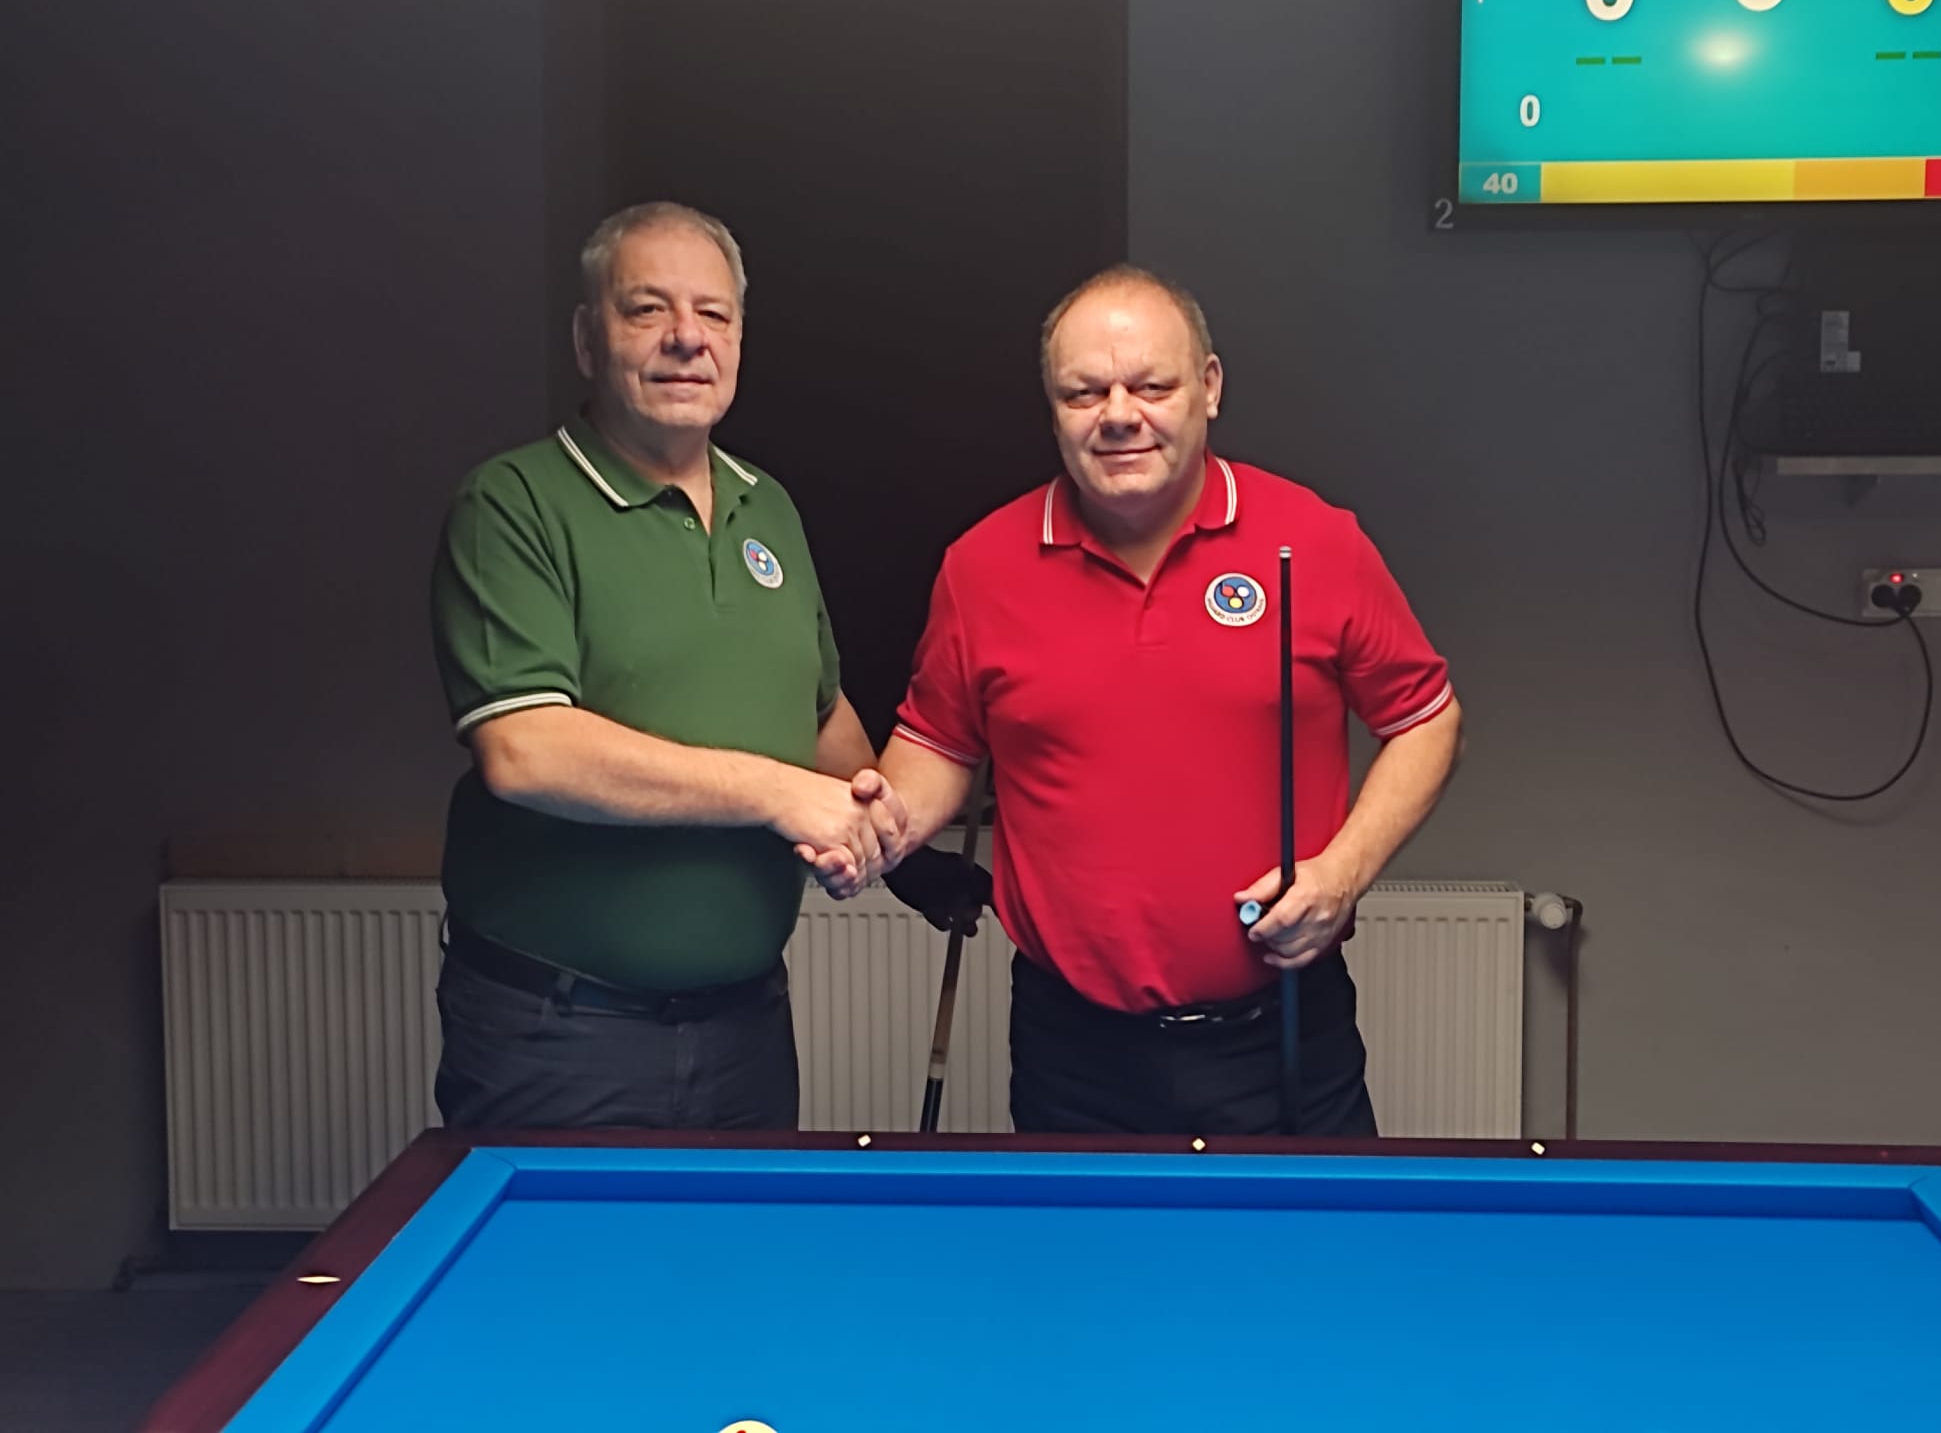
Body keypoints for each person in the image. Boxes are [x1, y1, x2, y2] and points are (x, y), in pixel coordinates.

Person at [830, 263, 1463, 1135]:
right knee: (1080, 1237)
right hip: (1071, 1050)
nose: (1119, 414)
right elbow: (940, 745)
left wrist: (1343, 873)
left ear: (1209, 387)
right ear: (1053, 407)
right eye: (1084, 392)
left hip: (1283, 1030)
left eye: (1151, 386)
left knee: (1310, 1234)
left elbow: (1426, 721)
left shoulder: (1316, 541)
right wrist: (881, 827)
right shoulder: (981, 567)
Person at [427, 200, 979, 1131]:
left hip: (745, 1028)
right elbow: (527, 752)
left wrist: (893, 845)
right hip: (562, 1036)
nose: (687, 337)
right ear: (587, 339)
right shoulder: (513, 504)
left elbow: (817, 716)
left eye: (713, 314)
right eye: (647, 309)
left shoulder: (771, 509)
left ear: (738, 339)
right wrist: (775, 794)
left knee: (747, 1238)